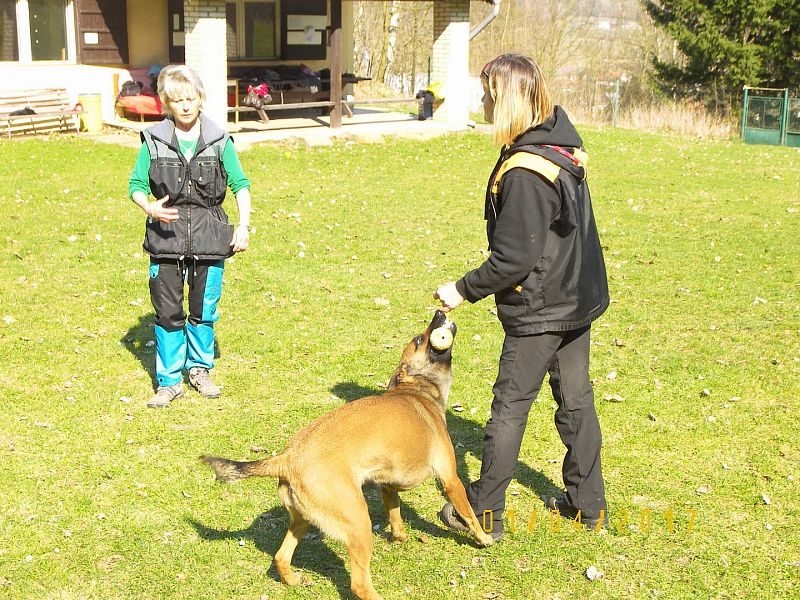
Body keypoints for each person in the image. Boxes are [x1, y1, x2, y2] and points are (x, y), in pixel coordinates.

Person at [434, 54, 610, 539]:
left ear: (507, 97)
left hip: (543, 308)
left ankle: (484, 512)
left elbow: (513, 260)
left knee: (510, 406)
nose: (482, 99)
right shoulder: (557, 143)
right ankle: (588, 505)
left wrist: (461, 289)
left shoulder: (527, 171)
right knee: (576, 402)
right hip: (576, 298)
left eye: (488, 91)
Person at [128, 64, 252, 408]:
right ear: (167, 103)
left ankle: (199, 370)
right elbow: (136, 186)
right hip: (165, 238)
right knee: (168, 312)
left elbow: (240, 184)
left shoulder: (218, 140)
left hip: (211, 237)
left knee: (202, 310)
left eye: (190, 98)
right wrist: (149, 207)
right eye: (176, 100)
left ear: (201, 99)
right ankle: (169, 382)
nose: (184, 105)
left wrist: (243, 226)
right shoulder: (153, 140)